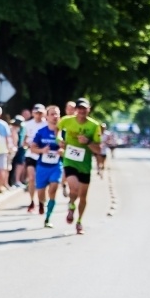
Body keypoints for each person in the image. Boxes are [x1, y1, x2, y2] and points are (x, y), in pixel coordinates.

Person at [58, 97, 101, 235]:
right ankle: (71, 206)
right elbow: (57, 131)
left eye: (85, 108)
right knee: (74, 187)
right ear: (76, 109)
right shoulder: (66, 120)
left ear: (89, 109)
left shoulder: (94, 126)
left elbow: (98, 149)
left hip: (85, 164)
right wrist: (59, 140)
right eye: (79, 108)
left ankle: (79, 221)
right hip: (70, 160)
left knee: (83, 196)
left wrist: (87, 142)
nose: (82, 111)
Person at [29, 105, 63, 228]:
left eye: (57, 114)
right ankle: (41, 203)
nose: (55, 117)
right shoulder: (41, 132)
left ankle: (48, 218)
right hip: (42, 166)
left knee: (53, 189)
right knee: (41, 193)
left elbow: (68, 148)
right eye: (52, 114)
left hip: (56, 165)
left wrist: (62, 151)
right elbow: (32, 148)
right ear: (47, 117)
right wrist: (42, 150)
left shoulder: (63, 132)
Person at [22, 103, 48, 213]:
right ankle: (32, 201)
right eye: (36, 113)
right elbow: (23, 141)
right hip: (31, 155)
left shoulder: (47, 125)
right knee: (31, 178)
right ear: (33, 113)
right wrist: (28, 144)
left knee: (42, 180)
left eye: (40, 113)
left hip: (43, 155)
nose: (38, 115)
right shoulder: (27, 124)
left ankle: (42, 201)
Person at [9, 114, 25, 186]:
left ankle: (14, 181)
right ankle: (11, 182)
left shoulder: (22, 129)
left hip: (19, 149)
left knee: (15, 165)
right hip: (13, 149)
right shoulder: (12, 129)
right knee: (11, 166)